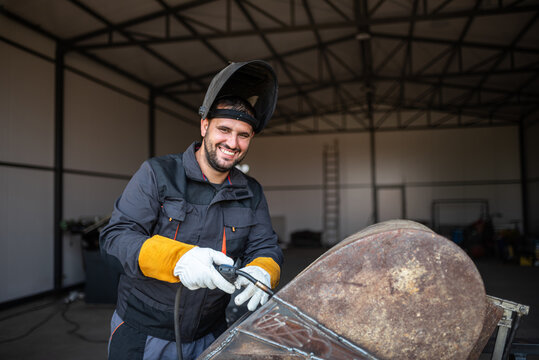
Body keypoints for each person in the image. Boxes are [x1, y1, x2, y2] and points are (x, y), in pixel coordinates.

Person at [100, 60, 283, 360]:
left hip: (211, 333)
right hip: (144, 333)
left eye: (243, 135)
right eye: (224, 129)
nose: (232, 143)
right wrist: (177, 259)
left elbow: (265, 245)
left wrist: (264, 268)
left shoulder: (251, 191)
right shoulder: (157, 174)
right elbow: (115, 239)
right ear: (204, 126)